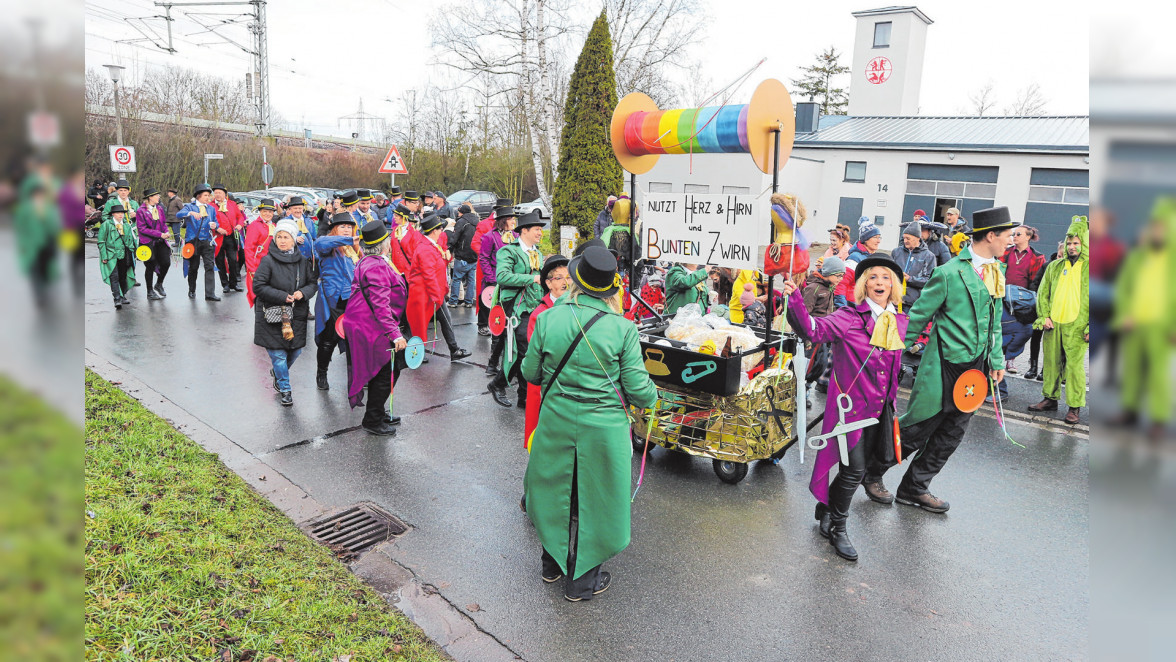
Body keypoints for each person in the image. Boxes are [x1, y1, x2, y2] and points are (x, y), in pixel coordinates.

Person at [521, 245, 658, 601]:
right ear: (610, 288)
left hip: (556, 420)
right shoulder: (623, 328)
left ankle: (551, 565)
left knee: (555, 492)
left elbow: (530, 373)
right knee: (596, 502)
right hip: (604, 429)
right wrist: (654, 396)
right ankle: (581, 582)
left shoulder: (550, 318)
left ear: (576, 281)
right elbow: (640, 391)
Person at [862, 206, 1013, 513]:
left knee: (951, 435)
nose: (1010, 241)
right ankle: (872, 472)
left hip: (975, 371)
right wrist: (887, 354)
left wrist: (996, 360)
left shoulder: (997, 272)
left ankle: (914, 487)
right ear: (991, 236)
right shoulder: (948, 273)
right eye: (1007, 235)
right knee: (917, 429)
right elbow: (917, 317)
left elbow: (995, 321)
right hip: (943, 366)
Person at [783, 255, 907, 561]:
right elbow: (812, 329)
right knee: (854, 471)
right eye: (873, 277)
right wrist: (795, 298)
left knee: (859, 468)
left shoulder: (899, 320)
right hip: (849, 411)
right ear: (864, 285)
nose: (880, 282)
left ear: (894, 286)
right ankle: (838, 528)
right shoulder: (850, 317)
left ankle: (826, 509)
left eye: (886, 277)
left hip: (880, 410)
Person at [1108, 200, 1175, 440]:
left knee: (1159, 375)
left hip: (1161, 326)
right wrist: (1125, 314)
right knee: (1132, 371)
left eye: (1162, 228)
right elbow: (1123, 288)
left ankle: (1158, 419)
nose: (1157, 232)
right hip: (1134, 324)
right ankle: (1130, 412)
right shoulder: (1137, 257)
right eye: (1154, 228)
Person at [343, 221, 410, 436]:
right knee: (386, 371)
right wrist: (395, 334)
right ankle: (372, 419)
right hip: (371, 326)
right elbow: (380, 305)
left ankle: (377, 411)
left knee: (389, 369)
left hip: (367, 323)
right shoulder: (377, 266)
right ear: (384, 244)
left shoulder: (371, 261)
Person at [1028, 217, 1089, 424]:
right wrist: (1044, 316)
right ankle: (1050, 399)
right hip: (1053, 324)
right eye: (1069, 243)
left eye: (1076, 243)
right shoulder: (1054, 266)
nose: (1072, 247)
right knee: (1051, 363)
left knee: (1074, 369)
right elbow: (1043, 293)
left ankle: (1074, 407)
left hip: (1078, 328)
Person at [252, 219, 317, 407]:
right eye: (279, 237)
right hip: (272, 315)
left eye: (286, 237)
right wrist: (282, 296)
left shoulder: (303, 262)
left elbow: (312, 284)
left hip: (295, 315)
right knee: (279, 356)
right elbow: (259, 286)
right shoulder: (268, 260)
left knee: (295, 351)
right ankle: (285, 389)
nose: (282, 240)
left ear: (293, 239)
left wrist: (302, 293)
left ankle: (279, 373)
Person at [487, 209, 544, 408]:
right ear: (524, 231)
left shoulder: (538, 253)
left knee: (530, 352)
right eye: (537, 229)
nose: (540, 233)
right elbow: (501, 277)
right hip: (515, 311)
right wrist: (533, 278)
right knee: (523, 352)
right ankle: (497, 384)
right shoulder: (508, 251)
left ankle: (524, 397)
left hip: (534, 309)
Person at [407, 212, 472, 361]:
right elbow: (428, 275)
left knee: (442, 320)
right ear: (434, 231)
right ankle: (416, 354)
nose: (442, 232)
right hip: (426, 294)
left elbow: (435, 269)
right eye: (440, 229)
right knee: (420, 324)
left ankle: (453, 349)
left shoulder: (429, 245)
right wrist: (437, 297)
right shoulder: (425, 248)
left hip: (431, 292)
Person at [523, 254, 571, 452]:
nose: (565, 283)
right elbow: (536, 359)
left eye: (568, 277)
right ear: (549, 284)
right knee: (543, 440)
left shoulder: (574, 307)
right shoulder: (539, 314)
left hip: (567, 383)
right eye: (559, 278)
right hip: (545, 385)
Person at [313, 213, 362, 390]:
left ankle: (356, 377)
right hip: (333, 301)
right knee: (329, 341)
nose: (347, 229)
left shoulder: (353, 249)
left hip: (353, 301)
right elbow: (321, 243)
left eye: (350, 227)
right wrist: (347, 240)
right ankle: (321, 373)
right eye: (343, 226)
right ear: (335, 229)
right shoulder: (328, 245)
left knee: (355, 342)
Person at [998, 224, 1047, 378]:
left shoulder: (1037, 257)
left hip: (1023, 301)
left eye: (1018, 234)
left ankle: (1011, 359)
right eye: (1014, 234)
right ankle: (1000, 356)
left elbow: (1037, 280)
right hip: (1003, 296)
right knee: (1001, 328)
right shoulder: (1005, 252)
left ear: (1028, 237)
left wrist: (1030, 299)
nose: (1014, 236)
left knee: (1021, 330)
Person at [480, 206, 519, 373]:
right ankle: (492, 364)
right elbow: (484, 258)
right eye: (511, 219)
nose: (514, 221)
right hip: (496, 286)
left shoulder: (517, 236)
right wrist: (493, 280)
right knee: (499, 323)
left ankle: (512, 363)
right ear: (503, 220)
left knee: (515, 325)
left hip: (515, 286)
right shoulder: (489, 237)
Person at [14, 182, 62, 305]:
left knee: (46, 269)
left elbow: (54, 225)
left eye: (41, 195)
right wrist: (22, 244)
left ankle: (45, 291)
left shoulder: (49, 208)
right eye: (37, 195)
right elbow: (20, 227)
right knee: (35, 271)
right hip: (32, 244)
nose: (39, 197)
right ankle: (39, 295)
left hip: (48, 243)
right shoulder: (24, 209)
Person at [472, 198, 512, 335]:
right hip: (487, 268)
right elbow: (475, 244)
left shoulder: (513, 232)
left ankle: (500, 324)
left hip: (503, 270)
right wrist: (491, 255)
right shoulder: (484, 225)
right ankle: (482, 324)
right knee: (486, 296)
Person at [176, 183, 222, 301]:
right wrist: (190, 213)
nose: (208, 198)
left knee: (209, 266)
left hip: (207, 240)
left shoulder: (211, 209)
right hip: (193, 241)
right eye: (206, 195)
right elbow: (178, 214)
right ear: (199, 196)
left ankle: (210, 294)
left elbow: (216, 222)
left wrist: (214, 225)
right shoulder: (190, 207)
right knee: (194, 267)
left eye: (208, 195)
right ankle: (192, 290)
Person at [134, 188, 172, 300]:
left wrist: (166, 231)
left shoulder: (159, 208)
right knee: (150, 266)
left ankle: (159, 284)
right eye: (157, 196)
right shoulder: (141, 211)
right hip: (148, 242)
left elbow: (163, 223)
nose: (159, 197)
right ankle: (150, 291)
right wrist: (159, 234)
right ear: (150, 197)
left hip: (160, 241)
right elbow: (142, 229)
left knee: (166, 263)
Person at [97, 202, 137, 309]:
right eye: (118, 213)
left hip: (124, 254)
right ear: (113, 214)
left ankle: (123, 295)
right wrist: (104, 256)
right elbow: (101, 241)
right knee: (114, 276)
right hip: (111, 255)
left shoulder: (126, 225)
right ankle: (117, 298)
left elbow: (131, 240)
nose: (120, 215)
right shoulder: (106, 225)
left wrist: (133, 251)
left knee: (123, 276)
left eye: (122, 213)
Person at [890, 221, 936, 309]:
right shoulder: (896, 252)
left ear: (918, 238)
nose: (905, 241)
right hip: (893, 300)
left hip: (913, 303)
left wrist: (910, 279)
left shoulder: (929, 256)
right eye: (904, 238)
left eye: (908, 238)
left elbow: (930, 281)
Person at [210, 184, 246, 293]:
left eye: (219, 193)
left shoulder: (232, 204)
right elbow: (208, 220)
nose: (217, 195)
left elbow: (239, 216)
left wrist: (240, 225)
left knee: (233, 260)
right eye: (215, 193)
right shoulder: (210, 206)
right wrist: (217, 228)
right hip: (218, 237)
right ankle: (225, 284)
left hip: (231, 236)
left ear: (225, 194)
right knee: (220, 261)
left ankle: (233, 283)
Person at [243, 199, 278, 307]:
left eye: (270, 212)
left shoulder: (275, 226)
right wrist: (252, 269)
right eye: (265, 211)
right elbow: (248, 248)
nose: (268, 214)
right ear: (260, 212)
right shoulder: (254, 226)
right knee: (259, 295)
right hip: (258, 264)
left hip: (272, 265)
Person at [447, 203, 479, 308]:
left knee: (456, 279)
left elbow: (455, 237)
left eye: (459, 212)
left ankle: (453, 301)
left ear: (462, 213)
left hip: (462, 255)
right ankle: (469, 301)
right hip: (474, 255)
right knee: (471, 280)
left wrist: (450, 248)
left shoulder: (461, 222)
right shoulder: (477, 221)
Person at [843, 216, 882, 294]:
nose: (878, 241)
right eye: (875, 237)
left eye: (879, 237)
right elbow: (843, 285)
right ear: (865, 239)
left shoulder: (874, 256)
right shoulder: (855, 258)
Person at [823, 225, 853, 307]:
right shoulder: (829, 251)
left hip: (841, 287)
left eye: (834, 240)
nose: (832, 243)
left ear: (842, 240)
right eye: (831, 240)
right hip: (831, 283)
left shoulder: (849, 253)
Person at [283, 195, 319, 263]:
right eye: (295, 208)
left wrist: (315, 255)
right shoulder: (285, 222)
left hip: (309, 259)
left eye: (300, 208)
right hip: (293, 259)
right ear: (290, 209)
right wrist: (294, 239)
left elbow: (314, 239)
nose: (298, 210)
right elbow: (281, 240)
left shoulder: (309, 221)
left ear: (303, 209)